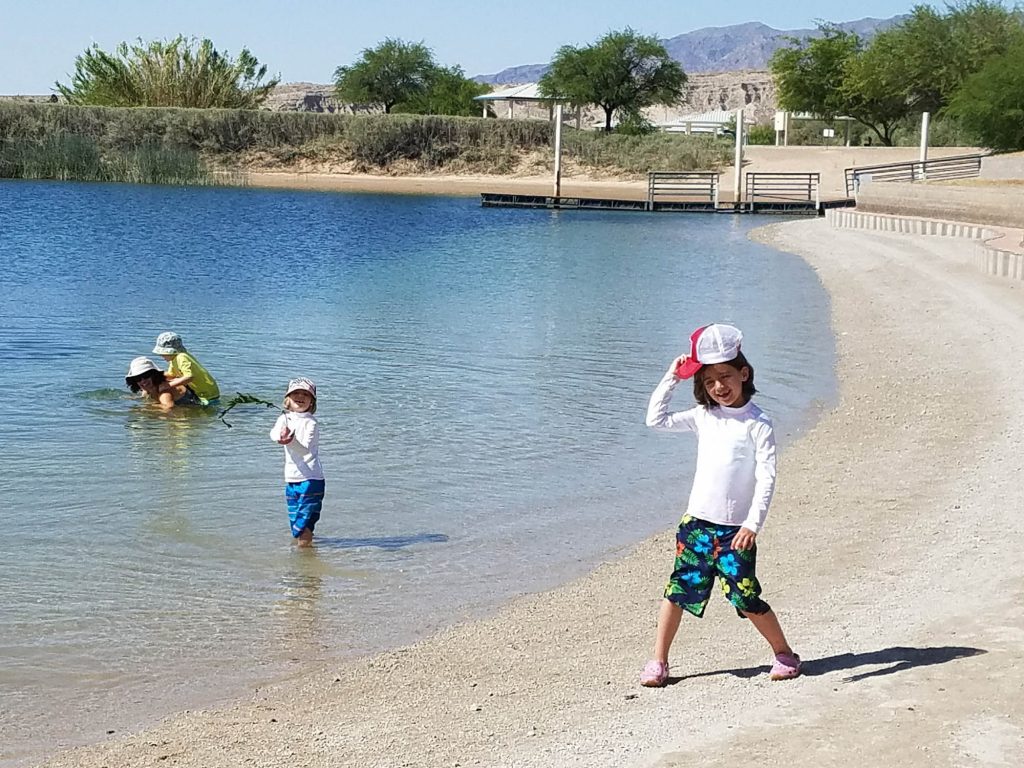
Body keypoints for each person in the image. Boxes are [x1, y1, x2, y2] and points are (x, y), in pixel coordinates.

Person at [640, 323, 801, 687]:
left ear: (744, 373)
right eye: (709, 381)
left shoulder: (757, 423)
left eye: (726, 376)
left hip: (735, 533)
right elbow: (656, 420)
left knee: (745, 596)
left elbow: (766, 478)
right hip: (696, 525)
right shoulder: (703, 416)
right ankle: (658, 662)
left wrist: (752, 525)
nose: (718, 387)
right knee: (677, 591)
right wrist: (672, 377)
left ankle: (784, 654)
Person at [269, 378, 324, 548]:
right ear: (288, 399)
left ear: (312, 401)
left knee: (304, 522)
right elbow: (273, 434)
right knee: (295, 519)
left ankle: (304, 559)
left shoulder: (311, 422)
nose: (300, 397)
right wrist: (280, 437)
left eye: (305, 394)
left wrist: (289, 441)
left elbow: (305, 450)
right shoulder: (284, 418)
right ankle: (306, 551)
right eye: (296, 393)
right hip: (291, 478)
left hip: (311, 479)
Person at [152, 332, 220, 406]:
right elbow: (171, 375)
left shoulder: (181, 357)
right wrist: (152, 375)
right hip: (203, 393)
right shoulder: (173, 359)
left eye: (162, 354)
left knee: (169, 388)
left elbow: (189, 377)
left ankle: (168, 407)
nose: (161, 356)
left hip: (207, 396)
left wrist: (167, 385)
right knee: (161, 383)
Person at [125, 356, 190, 410]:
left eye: (146, 376)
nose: (143, 381)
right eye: (138, 378)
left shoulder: (163, 392)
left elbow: (169, 407)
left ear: (153, 375)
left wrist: (148, 406)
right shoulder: (147, 389)